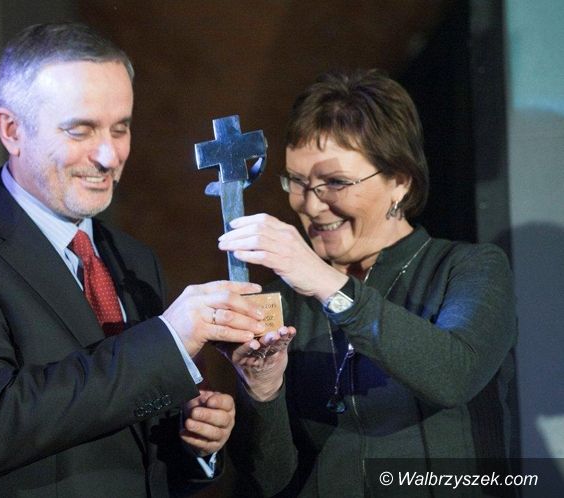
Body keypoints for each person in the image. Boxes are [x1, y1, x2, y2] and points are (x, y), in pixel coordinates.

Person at [0, 23, 269, 497]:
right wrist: (169, 340)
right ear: (11, 130)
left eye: (120, 128)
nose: (109, 155)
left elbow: (128, 430)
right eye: (81, 130)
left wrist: (195, 442)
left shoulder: (133, 259)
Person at [217, 69, 518, 497]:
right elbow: (268, 480)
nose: (311, 205)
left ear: (400, 181)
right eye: (297, 182)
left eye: (335, 182)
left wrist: (328, 284)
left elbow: (454, 375)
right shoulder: (284, 299)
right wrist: (262, 392)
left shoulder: (468, 269)